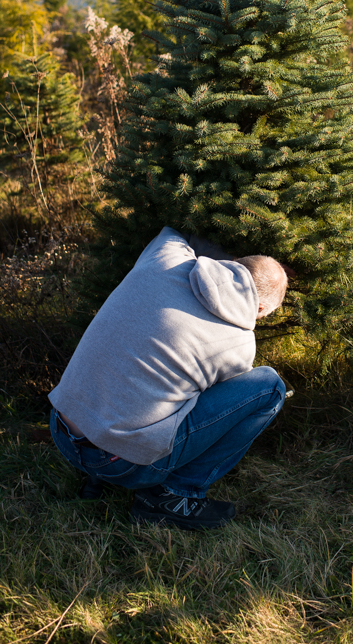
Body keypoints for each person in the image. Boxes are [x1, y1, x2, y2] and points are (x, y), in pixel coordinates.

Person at [49, 226, 288, 530]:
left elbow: (174, 231)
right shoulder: (240, 346)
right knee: (269, 386)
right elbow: (211, 410)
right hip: (120, 464)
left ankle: (97, 470)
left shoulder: (167, 255)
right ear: (262, 308)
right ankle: (177, 495)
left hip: (61, 428)